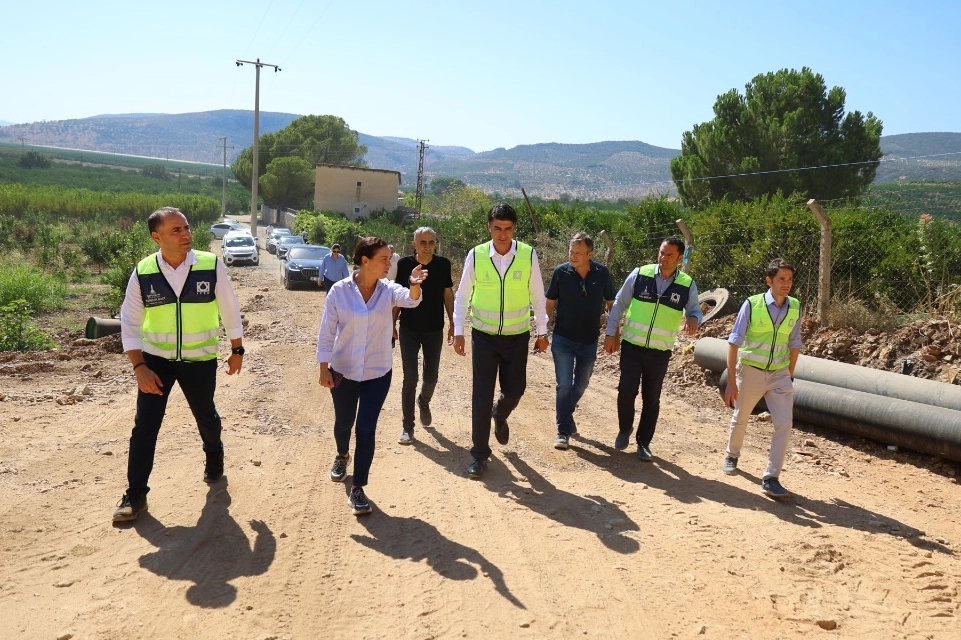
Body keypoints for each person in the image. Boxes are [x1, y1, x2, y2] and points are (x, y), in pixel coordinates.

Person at [112, 206, 244, 523]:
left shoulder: (210, 265)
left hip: (199, 360)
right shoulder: (143, 272)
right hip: (156, 362)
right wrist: (139, 367)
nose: (186, 234)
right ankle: (135, 494)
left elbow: (229, 307)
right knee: (145, 426)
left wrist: (237, 349)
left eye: (186, 228)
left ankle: (214, 454)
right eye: (176, 230)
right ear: (157, 237)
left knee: (205, 415)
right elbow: (129, 324)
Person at [317, 237, 427, 515]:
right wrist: (323, 367)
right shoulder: (339, 292)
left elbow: (410, 301)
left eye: (390, 259)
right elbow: (327, 331)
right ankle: (342, 455)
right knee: (344, 423)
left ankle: (358, 488)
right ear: (365, 260)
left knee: (366, 428)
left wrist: (414, 285)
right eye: (384, 259)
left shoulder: (388, 289)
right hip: (343, 371)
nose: (389, 264)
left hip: (378, 373)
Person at [452, 203, 549, 478]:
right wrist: (458, 330)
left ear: (514, 229)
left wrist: (542, 332)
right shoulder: (477, 255)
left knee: (516, 390)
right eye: (497, 228)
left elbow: (537, 295)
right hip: (484, 336)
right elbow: (462, 295)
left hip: (517, 336)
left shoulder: (528, 255)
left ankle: (501, 413)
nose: (502, 234)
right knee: (481, 396)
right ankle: (479, 455)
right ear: (489, 227)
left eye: (507, 229)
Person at [604, 237, 702, 462]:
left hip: (660, 351)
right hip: (632, 345)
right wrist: (611, 333)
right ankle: (624, 429)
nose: (663, 258)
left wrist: (694, 319)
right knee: (626, 391)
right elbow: (620, 303)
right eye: (661, 253)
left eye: (669, 255)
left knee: (652, 398)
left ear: (679, 258)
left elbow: (695, 310)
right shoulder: (640, 274)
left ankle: (643, 442)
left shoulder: (687, 284)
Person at [722, 258, 803, 500]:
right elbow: (734, 341)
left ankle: (771, 478)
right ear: (769, 281)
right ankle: (732, 454)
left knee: (784, 423)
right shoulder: (752, 304)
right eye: (781, 279)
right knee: (742, 416)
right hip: (751, 370)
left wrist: (789, 373)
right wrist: (732, 382)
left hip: (780, 374)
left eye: (789, 279)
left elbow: (795, 342)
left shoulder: (796, 307)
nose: (786, 284)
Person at [545, 232, 616, 450]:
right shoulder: (561, 272)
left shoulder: (602, 273)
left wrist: (613, 333)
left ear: (590, 254)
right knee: (564, 384)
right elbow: (550, 301)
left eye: (578, 253)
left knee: (582, 383)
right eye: (571, 252)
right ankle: (562, 431)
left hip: (589, 340)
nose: (573, 256)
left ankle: (566, 414)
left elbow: (611, 303)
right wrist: (545, 328)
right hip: (563, 338)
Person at [393, 227, 455, 444]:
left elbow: (448, 294)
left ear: (435, 243)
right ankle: (407, 427)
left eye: (431, 242)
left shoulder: (443, 265)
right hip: (409, 328)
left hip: (434, 330)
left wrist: (453, 323)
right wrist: (391, 324)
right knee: (410, 378)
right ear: (414, 244)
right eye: (423, 242)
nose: (427, 246)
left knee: (431, 377)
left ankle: (424, 401)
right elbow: (398, 296)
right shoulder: (405, 265)